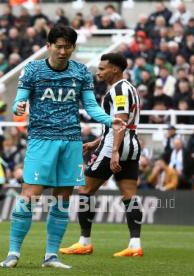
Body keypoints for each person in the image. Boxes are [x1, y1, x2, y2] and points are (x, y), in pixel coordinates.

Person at [0, 25, 125, 269]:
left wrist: (109, 119)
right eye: (59, 46)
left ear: (74, 47)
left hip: (70, 142)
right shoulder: (33, 69)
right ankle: (13, 253)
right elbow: (19, 99)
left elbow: (90, 106)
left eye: (68, 47)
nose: (63, 51)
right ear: (49, 46)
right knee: (29, 196)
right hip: (41, 140)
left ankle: (51, 256)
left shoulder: (81, 73)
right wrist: (18, 107)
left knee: (63, 199)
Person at [60, 53, 143, 258]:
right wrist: (96, 141)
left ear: (115, 69)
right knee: (129, 195)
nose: (98, 72)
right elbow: (122, 124)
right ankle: (135, 244)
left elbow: (120, 121)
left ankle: (84, 242)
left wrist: (113, 151)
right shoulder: (130, 88)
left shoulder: (120, 90)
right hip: (131, 145)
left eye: (102, 68)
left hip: (114, 147)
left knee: (85, 190)